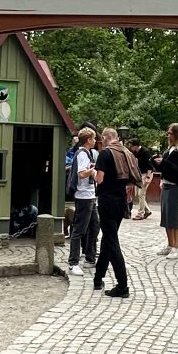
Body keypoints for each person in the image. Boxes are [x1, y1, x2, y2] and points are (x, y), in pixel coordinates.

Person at [93, 127, 138, 298]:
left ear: (105, 138)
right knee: (108, 238)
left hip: (107, 201)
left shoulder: (106, 154)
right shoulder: (126, 152)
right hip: (122, 202)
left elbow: (99, 179)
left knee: (111, 242)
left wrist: (93, 172)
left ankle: (122, 285)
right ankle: (98, 277)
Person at [68, 126, 99, 274]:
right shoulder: (82, 154)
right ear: (88, 140)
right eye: (93, 138)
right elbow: (81, 174)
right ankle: (73, 262)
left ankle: (90, 258)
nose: (95, 141)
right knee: (79, 229)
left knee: (94, 226)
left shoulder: (87, 153)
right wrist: (92, 171)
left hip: (90, 195)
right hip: (84, 196)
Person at [157, 123, 178, 259]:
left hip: (175, 187)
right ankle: (170, 244)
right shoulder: (169, 149)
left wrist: (164, 163)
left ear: (176, 134)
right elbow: (166, 168)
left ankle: (175, 247)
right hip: (166, 185)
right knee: (166, 217)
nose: (168, 135)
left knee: (174, 217)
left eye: (171, 133)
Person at [128, 140, 154, 220]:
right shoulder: (136, 152)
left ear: (135, 145)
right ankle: (147, 211)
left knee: (141, 194)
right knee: (138, 194)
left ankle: (140, 213)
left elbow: (150, 166)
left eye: (131, 146)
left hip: (146, 174)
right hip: (140, 174)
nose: (130, 147)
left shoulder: (145, 152)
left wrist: (148, 177)